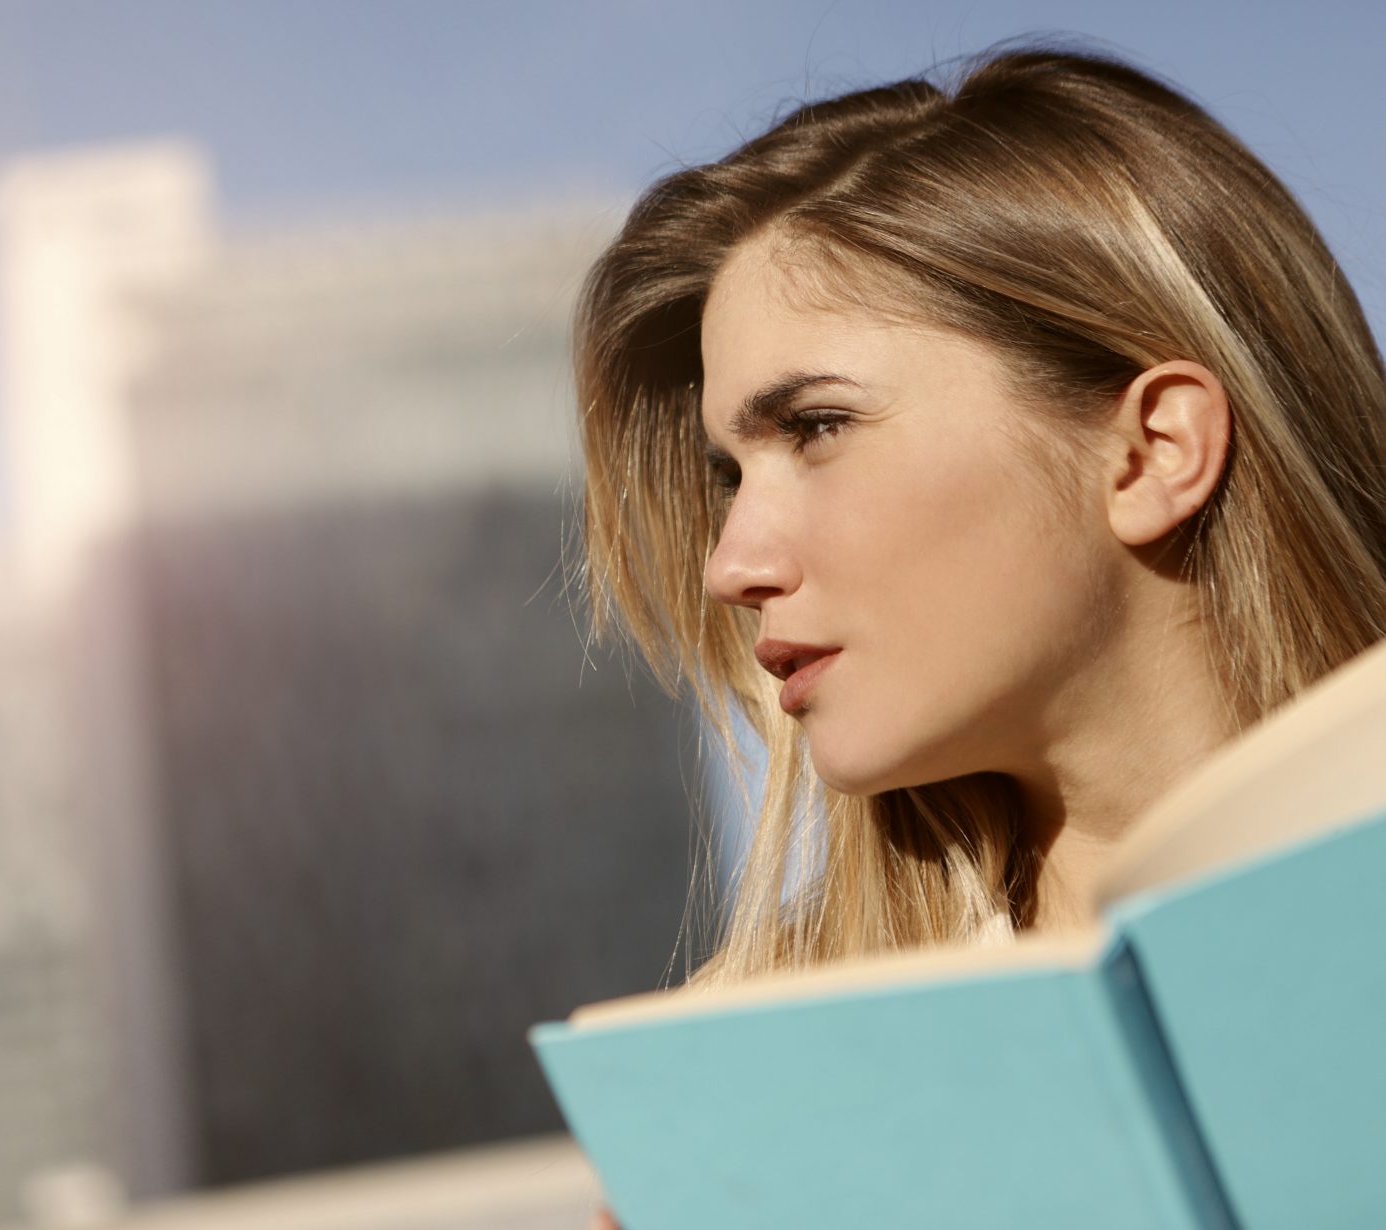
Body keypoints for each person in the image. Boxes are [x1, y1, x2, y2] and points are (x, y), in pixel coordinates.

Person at [575, 38, 1386, 1228]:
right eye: (727, 471)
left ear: (1152, 451)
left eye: (814, 427)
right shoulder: (770, 1083)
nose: (730, 564)